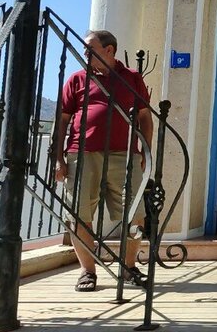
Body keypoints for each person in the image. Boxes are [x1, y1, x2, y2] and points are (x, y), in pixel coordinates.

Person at [53, 30, 152, 292]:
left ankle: (129, 268)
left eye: (90, 48)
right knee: (78, 216)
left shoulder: (131, 78)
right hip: (81, 154)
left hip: (124, 155)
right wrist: (58, 158)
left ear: (109, 50)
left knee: (135, 215)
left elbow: (145, 117)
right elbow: (61, 121)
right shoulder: (77, 79)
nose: (85, 53)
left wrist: (145, 150)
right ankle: (87, 272)